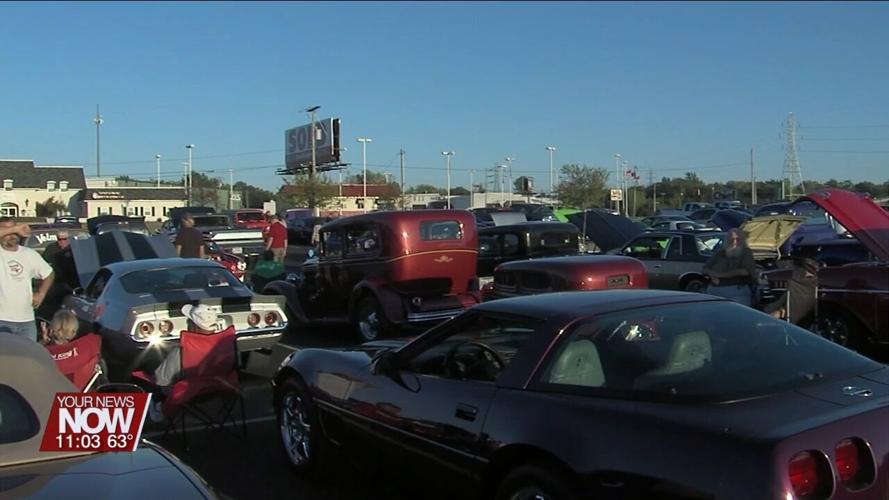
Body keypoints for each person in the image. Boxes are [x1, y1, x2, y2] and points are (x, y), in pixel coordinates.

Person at [147, 304, 225, 421]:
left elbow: (161, 380)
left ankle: (159, 411)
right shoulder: (224, 345)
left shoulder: (182, 351)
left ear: (193, 326)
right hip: (216, 389)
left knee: (152, 382)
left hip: (189, 394)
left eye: (189, 321)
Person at [0, 217, 55, 341]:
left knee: (28, 353)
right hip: (2, 319)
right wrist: (15, 228)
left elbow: (49, 274)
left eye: (14, 231)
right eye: (6, 230)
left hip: (26, 320)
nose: (11, 234)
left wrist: (41, 293)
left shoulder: (29, 254)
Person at [702, 227, 757, 307]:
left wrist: (720, 275)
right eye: (731, 239)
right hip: (714, 290)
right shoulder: (720, 253)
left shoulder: (746, 253)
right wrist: (712, 275)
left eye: (737, 239)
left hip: (736, 290)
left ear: (742, 240)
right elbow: (705, 269)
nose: (734, 242)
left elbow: (745, 272)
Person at [763, 258, 820, 327]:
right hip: (805, 325)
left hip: (785, 323)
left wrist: (779, 311)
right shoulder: (814, 287)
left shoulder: (790, 285)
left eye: (796, 268)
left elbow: (772, 309)